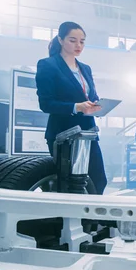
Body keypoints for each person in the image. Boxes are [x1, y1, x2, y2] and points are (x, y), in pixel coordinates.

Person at [35, 21, 108, 194]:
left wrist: (96, 105)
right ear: (60, 40)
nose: (78, 45)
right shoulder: (48, 65)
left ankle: (91, 220)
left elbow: (90, 96)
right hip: (63, 134)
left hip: (88, 134)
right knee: (68, 183)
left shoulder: (85, 69)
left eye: (82, 41)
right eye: (73, 40)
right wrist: (76, 107)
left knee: (98, 180)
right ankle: (66, 220)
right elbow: (45, 104)